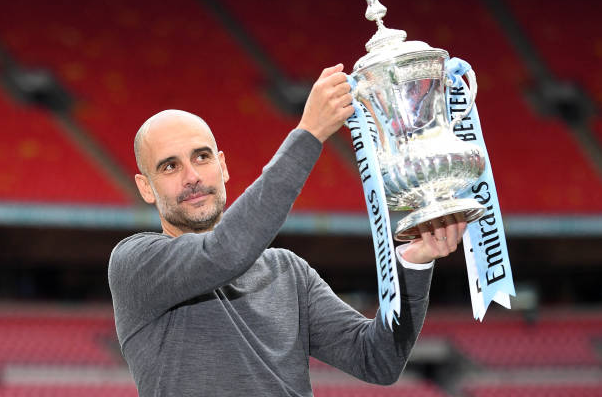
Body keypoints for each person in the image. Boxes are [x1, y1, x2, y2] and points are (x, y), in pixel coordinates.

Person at [108, 64, 467, 397]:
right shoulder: (134, 263)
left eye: (201, 157)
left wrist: (414, 265)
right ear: (144, 186)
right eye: (170, 166)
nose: (192, 177)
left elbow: (379, 359)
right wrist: (308, 133)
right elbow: (225, 253)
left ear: (222, 166)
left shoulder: (288, 272)